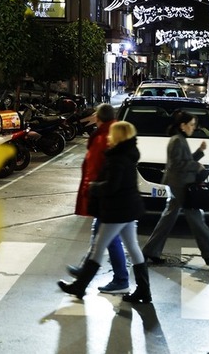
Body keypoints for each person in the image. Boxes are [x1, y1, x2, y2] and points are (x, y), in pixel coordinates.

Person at [57, 121, 152, 304]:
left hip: (117, 210)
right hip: (129, 208)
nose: (109, 136)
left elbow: (112, 186)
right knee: (133, 248)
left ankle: (79, 286)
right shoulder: (129, 154)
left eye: (112, 133)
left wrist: (93, 187)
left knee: (98, 249)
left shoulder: (118, 157)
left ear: (118, 136)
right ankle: (144, 291)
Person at [141, 110, 209, 266]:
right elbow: (177, 164)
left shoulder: (180, 139)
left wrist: (199, 153)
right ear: (183, 125)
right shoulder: (177, 141)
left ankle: (150, 251)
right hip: (179, 184)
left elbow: (184, 160)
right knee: (195, 218)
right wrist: (196, 165)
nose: (193, 128)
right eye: (191, 125)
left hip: (180, 183)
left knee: (170, 218)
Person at [65, 103, 130, 293]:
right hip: (118, 196)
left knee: (109, 238)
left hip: (107, 195)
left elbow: (94, 168)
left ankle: (120, 279)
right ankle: (86, 271)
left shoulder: (103, 137)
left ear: (98, 118)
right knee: (102, 234)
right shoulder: (116, 132)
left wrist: (89, 190)